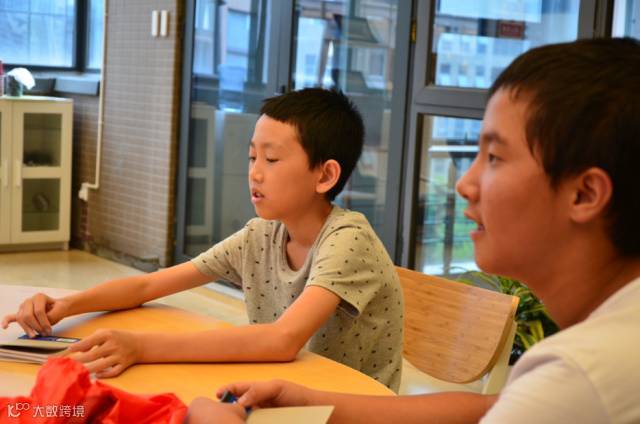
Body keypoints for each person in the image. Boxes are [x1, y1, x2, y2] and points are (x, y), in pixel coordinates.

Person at [185, 37, 640, 423]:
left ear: (584, 194)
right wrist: (307, 400)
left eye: (494, 158)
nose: (464, 183)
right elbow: (490, 407)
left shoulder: (580, 377)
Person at [1, 88, 404, 392]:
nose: (255, 173)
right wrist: (66, 306)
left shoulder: (347, 240)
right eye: (252, 157)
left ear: (325, 175)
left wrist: (141, 347)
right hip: (284, 390)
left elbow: (282, 339)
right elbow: (147, 286)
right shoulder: (260, 236)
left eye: (272, 159)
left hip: (351, 405)